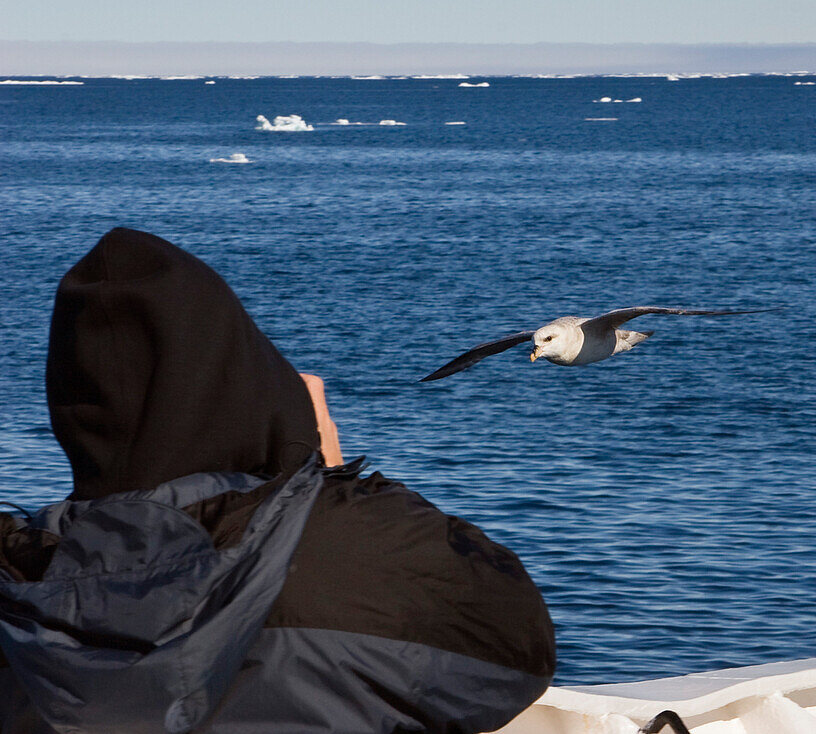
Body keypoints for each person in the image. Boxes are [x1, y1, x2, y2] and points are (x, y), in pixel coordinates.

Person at [0, 228, 555, 733]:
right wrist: (334, 487)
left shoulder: (19, 577)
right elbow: (518, 653)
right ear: (246, 373)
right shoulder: (369, 558)